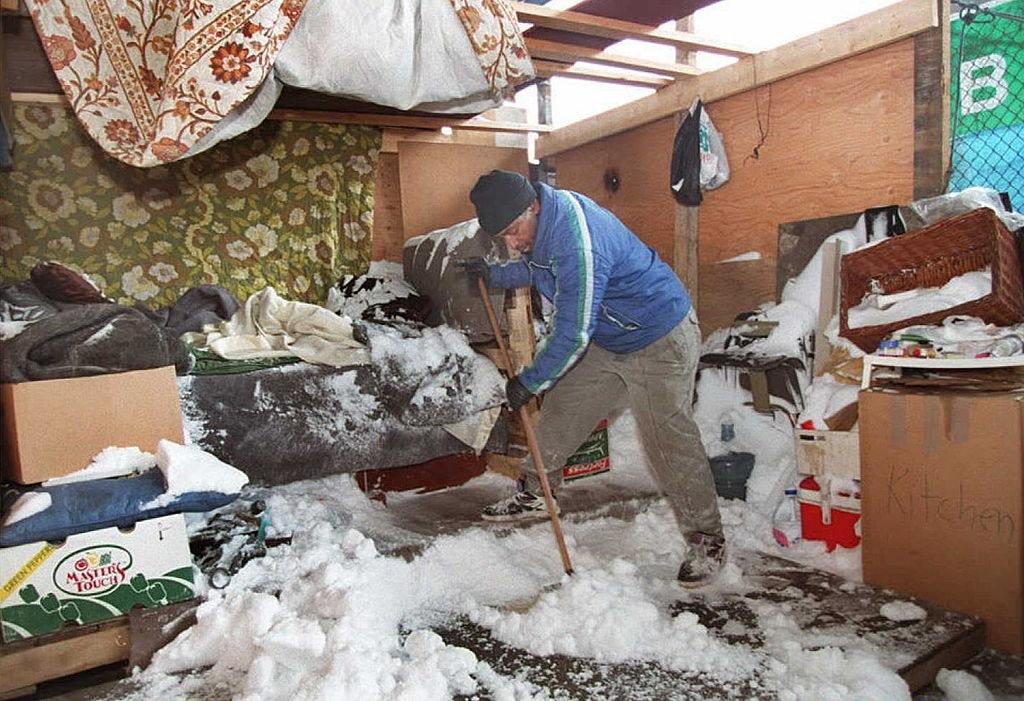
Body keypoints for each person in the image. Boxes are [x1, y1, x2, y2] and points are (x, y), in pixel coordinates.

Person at [462, 169, 725, 587]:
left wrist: (530, 380)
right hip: (610, 335)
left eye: (513, 231)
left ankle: (707, 538)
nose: (511, 243)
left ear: (533, 205)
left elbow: (573, 333)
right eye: (503, 238)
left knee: (666, 439)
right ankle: (535, 492)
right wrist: (496, 274)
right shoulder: (540, 226)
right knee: (564, 411)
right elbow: (539, 269)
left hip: (660, 336)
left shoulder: (576, 236)